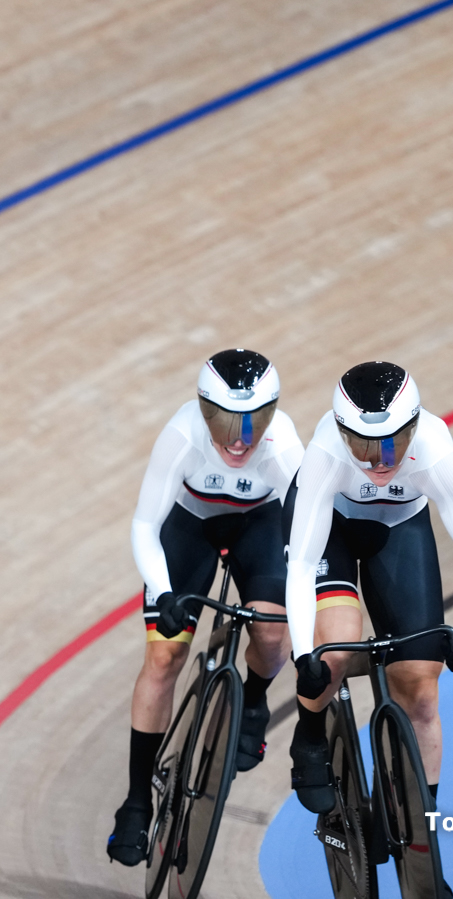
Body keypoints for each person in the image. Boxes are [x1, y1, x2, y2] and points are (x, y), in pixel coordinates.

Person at [284, 361, 453, 838]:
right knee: (337, 647)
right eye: (363, 446)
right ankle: (310, 737)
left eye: (394, 443)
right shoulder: (325, 451)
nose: (380, 460)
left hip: (398, 527)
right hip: (331, 530)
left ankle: (422, 841)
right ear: (342, 435)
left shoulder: (435, 448)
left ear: (415, 428)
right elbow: (301, 564)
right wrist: (304, 656)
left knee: (421, 689)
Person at [108, 349, 303, 867]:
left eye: (255, 421)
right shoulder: (182, 435)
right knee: (164, 658)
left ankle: (255, 701)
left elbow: (309, 535)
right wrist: (165, 593)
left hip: (258, 525)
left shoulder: (283, 444)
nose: (242, 438)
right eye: (227, 422)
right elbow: (144, 526)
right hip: (189, 524)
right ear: (202, 410)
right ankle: (134, 802)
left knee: (269, 630)